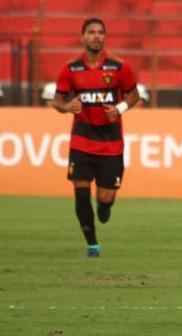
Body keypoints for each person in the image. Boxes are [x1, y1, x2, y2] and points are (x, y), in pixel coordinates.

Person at [51, 19, 141, 258]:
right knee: (80, 192)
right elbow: (57, 101)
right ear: (82, 37)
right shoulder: (70, 69)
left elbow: (134, 95)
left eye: (100, 33)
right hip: (81, 140)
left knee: (104, 199)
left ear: (105, 37)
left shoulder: (119, 67)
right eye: (91, 32)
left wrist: (120, 109)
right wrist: (67, 106)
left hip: (111, 143)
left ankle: (105, 206)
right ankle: (92, 244)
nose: (96, 36)